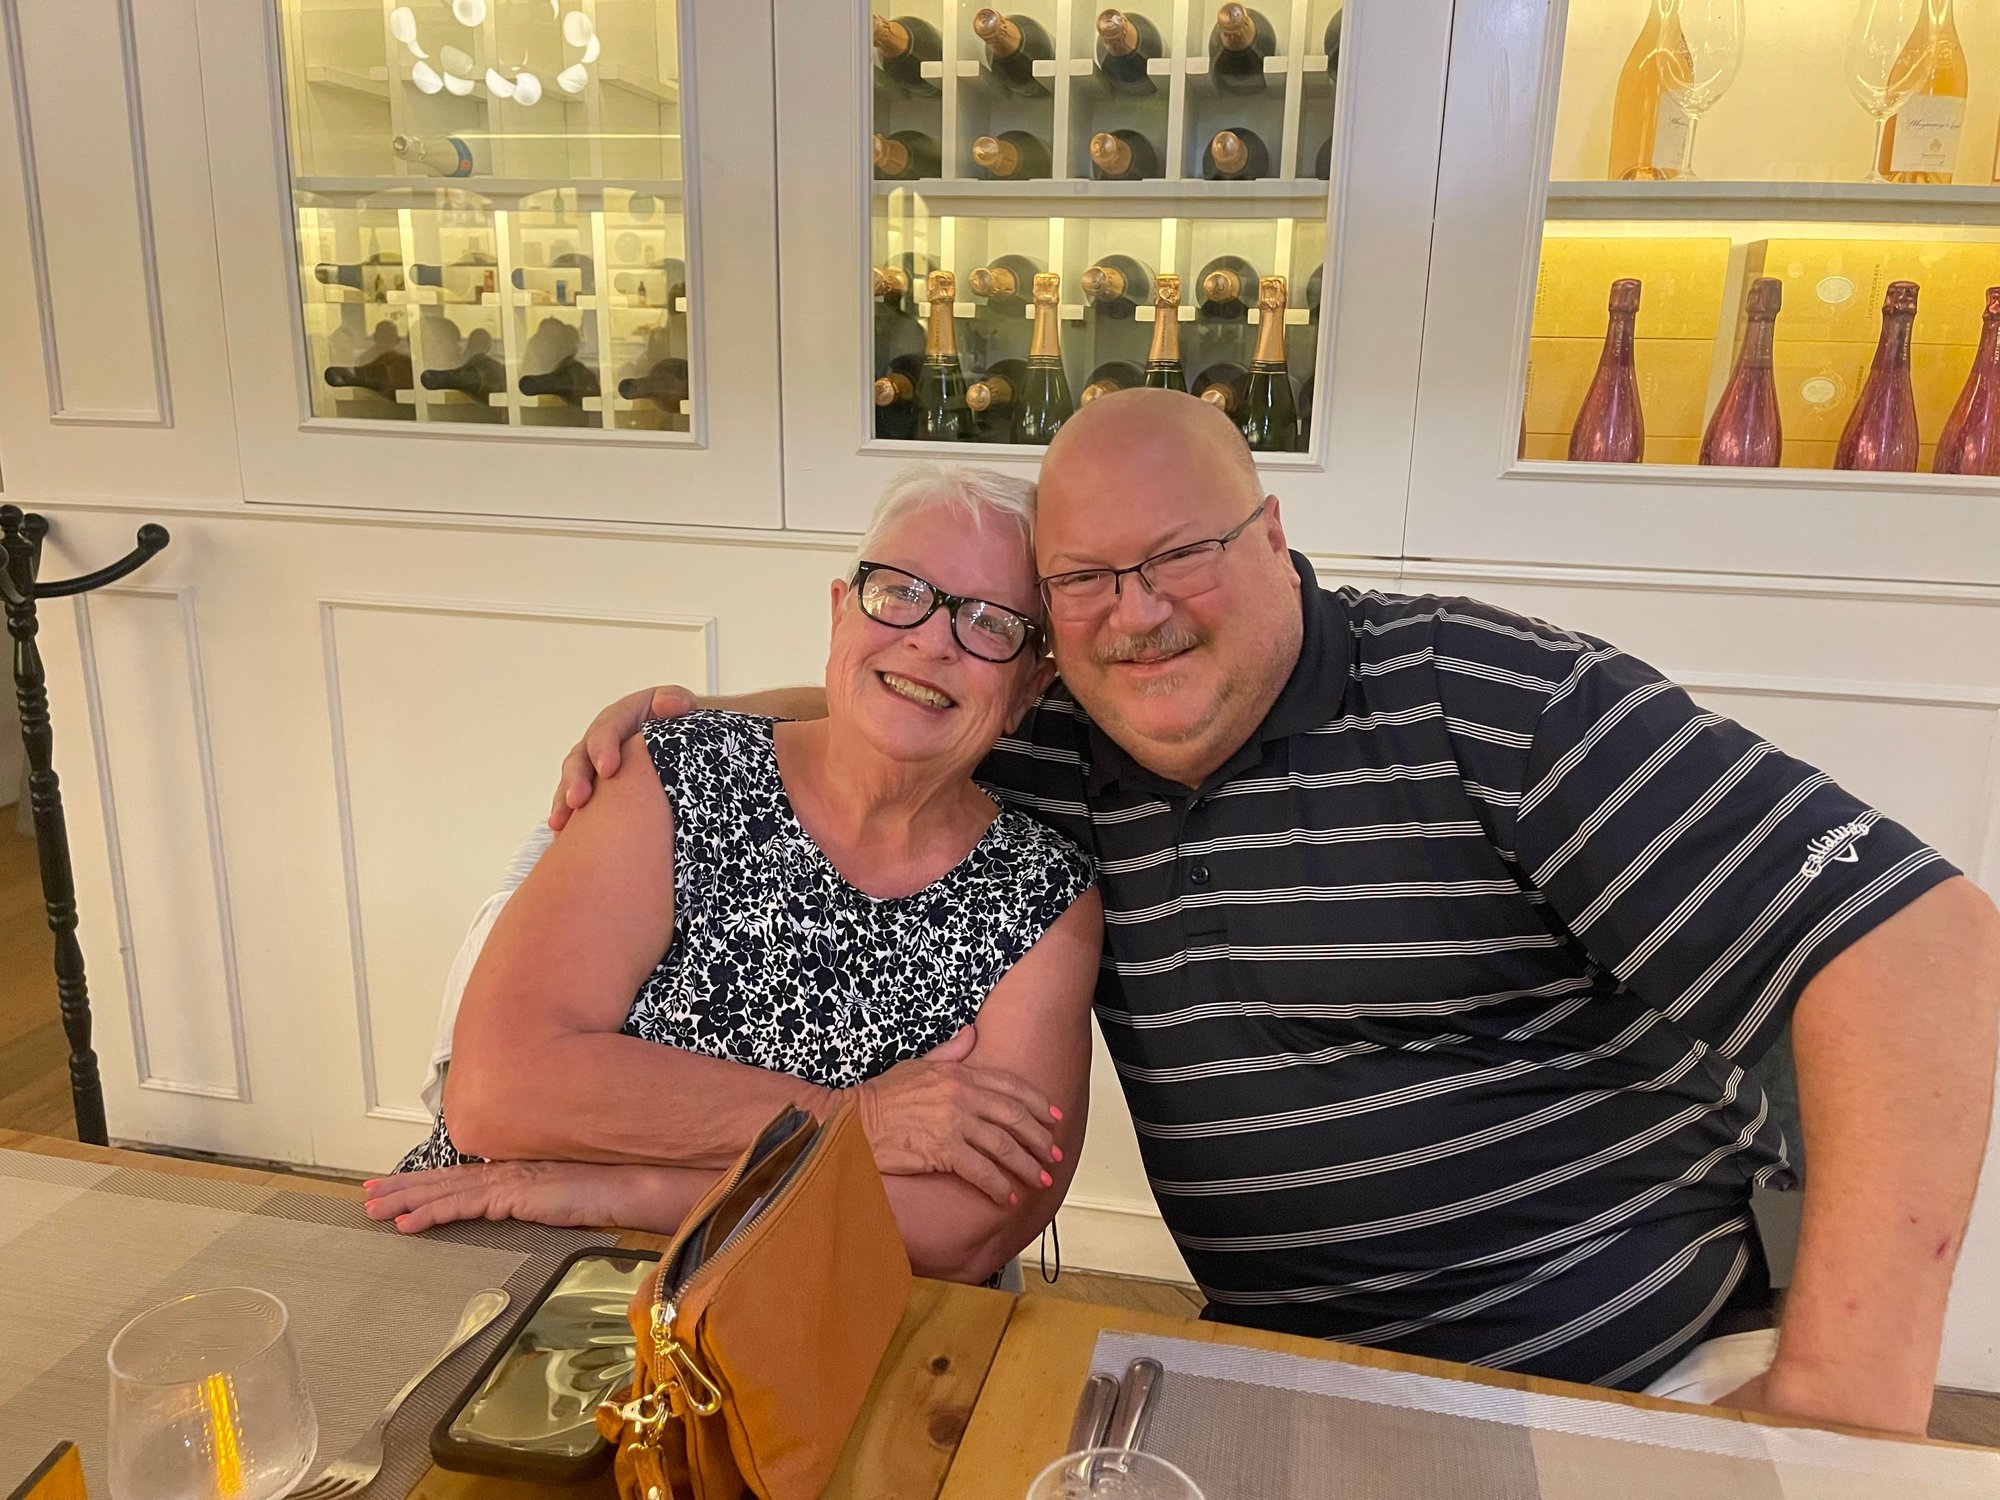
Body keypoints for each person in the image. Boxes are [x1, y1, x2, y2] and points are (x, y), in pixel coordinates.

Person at [553, 390, 2000, 1433]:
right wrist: (696, 719)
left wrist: (1835, 1413)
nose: (1137, 613)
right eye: (1083, 581)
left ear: (1273, 534)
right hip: (1291, 1385)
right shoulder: (1065, 739)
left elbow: (1920, 943)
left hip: (1628, 1379)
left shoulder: (1491, 703)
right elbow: (920, 696)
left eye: (1179, 553)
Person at [364, 465, 1103, 1285]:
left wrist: (619, 1190)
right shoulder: (679, 774)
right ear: (840, 611)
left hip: (785, 1298)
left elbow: (964, 1229)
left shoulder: (1041, 893)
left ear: (1032, 685)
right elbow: (498, 1093)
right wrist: (849, 1121)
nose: (931, 641)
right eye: (899, 592)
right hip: (512, 1249)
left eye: (991, 622)